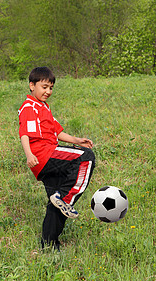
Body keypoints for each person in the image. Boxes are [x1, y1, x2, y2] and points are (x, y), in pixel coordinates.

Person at [18, 67, 95, 251]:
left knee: (56, 204)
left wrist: (77, 140)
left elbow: (57, 131)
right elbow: (24, 134)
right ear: (32, 85)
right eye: (44, 87)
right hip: (44, 155)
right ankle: (67, 198)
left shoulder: (44, 107)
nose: (48, 92)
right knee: (87, 157)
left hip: (47, 160)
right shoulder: (29, 107)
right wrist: (29, 154)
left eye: (51, 88)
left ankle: (50, 245)